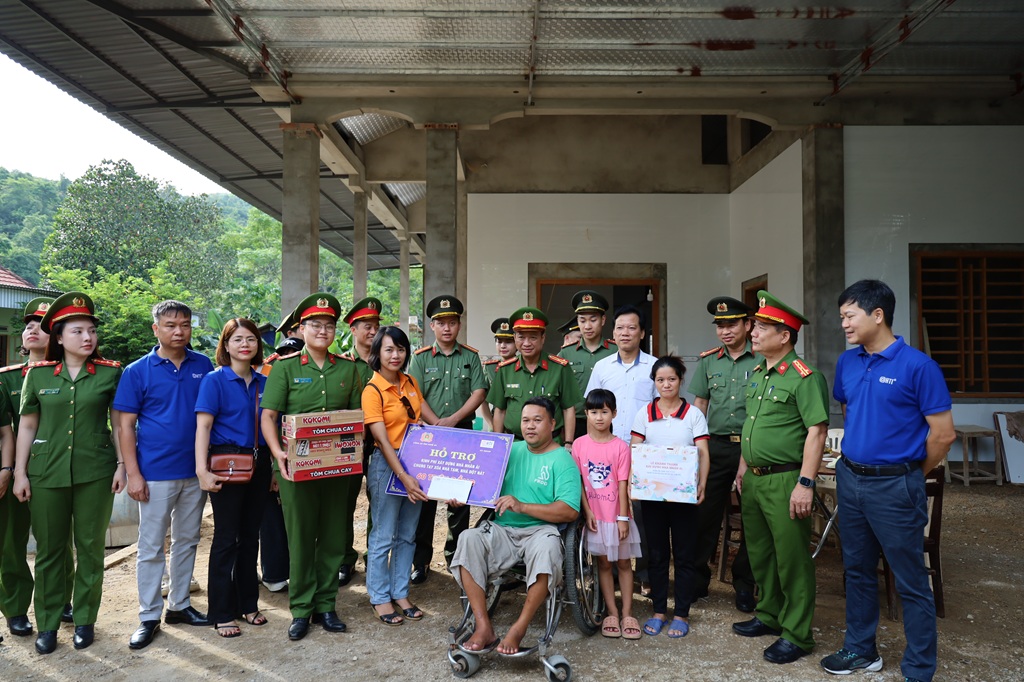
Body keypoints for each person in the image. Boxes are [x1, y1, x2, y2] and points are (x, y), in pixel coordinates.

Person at [820, 280, 955, 682]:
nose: (843, 323)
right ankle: (861, 650)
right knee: (857, 570)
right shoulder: (848, 363)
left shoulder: (918, 367)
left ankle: (918, 667)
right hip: (851, 477)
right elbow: (848, 406)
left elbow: (943, 434)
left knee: (910, 579)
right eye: (842, 316)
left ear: (877, 314)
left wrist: (911, 472)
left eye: (849, 315)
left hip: (895, 484)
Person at [12, 292, 124, 654]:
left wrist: (123, 466)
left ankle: (85, 619)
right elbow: (27, 425)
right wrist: (19, 473)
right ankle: (46, 625)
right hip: (46, 472)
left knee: (90, 549)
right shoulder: (39, 373)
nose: (87, 338)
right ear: (58, 337)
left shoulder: (110, 373)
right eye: (77, 331)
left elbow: (121, 425)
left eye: (91, 330)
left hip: (96, 471)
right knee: (49, 551)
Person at [731, 290, 829, 665]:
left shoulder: (805, 377)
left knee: (792, 559)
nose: (753, 333)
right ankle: (769, 614)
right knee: (760, 553)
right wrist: (742, 467)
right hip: (754, 480)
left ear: (784, 336)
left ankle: (798, 633)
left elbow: (816, 432)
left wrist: (805, 483)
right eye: (755, 326)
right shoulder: (759, 373)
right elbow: (751, 426)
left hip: (786, 480)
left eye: (761, 327)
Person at [259, 293, 364, 641]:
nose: (323, 330)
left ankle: (326, 605)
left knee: (334, 536)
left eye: (329, 325)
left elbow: (354, 421)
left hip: (337, 469)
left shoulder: (348, 369)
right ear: (301, 329)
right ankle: (301, 609)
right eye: (315, 324)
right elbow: (269, 417)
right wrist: (279, 455)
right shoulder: (285, 367)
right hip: (294, 470)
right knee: (301, 537)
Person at [115, 300, 215, 650]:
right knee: (151, 545)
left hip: (195, 471)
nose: (179, 331)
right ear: (156, 328)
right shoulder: (137, 371)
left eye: (185, 324)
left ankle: (180, 605)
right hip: (154, 473)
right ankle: (148, 615)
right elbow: (125, 426)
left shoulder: (204, 365)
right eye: (171, 324)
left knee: (188, 539)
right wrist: (133, 473)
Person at [451, 397, 582, 655]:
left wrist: (522, 506)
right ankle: (483, 626)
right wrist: (461, 495)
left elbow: (569, 510)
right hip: (503, 528)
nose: (530, 426)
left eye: (537, 420)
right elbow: (481, 483)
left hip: (541, 529)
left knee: (547, 549)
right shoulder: (508, 451)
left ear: (553, 423)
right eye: (525, 420)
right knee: (468, 538)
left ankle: (519, 628)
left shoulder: (562, 460)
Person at [0, 297, 74, 638]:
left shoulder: (72, 376)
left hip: (56, 471)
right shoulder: (7, 379)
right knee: (12, 545)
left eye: (40, 326)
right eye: (28, 325)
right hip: (14, 472)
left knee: (57, 541)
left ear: (57, 336)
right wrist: (11, 470)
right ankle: (15, 608)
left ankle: (61, 601)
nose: (31, 329)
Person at [194, 318, 273, 638]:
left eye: (251, 339)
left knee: (250, 536)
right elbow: (203, 427)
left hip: (260, 462)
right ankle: (222, 612)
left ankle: (247, 603)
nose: (245, 344)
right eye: (237, 339)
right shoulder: (214, 380)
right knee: (227, 538)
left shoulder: (264, 381)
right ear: (225, 345)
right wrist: (202, 470)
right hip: (226, 463)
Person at [408, 296, 488, 584]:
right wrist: (436, 423)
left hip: (462, 435)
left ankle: (456, 558)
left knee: (458, 501)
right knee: (425, 499)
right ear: (432, 326)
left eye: (452, 322)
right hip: (429, 437)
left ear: (459, 325)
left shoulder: (470, 356)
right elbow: (414, 394)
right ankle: (421, 561)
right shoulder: (420, 358)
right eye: (441, 323)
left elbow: (479, 392)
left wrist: (453, 420)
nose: (447, 328)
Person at [629, 356, 710, 638]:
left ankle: (682, 614)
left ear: (681, 380)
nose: (666, 384)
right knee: (658, 554)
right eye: (660, 380)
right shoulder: (644, 414)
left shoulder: (693, 414)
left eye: (672, 379)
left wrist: (701, 484)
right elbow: (636, 452)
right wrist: (635, 486)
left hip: (684, 497)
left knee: (685, 555)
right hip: (652, 497)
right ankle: (659, 611)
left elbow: (702, 453)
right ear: (654, 382)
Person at [688, 296, 759, 612]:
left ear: (747, 324)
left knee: (752, 518)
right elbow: (699, 407)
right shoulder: (708, 361)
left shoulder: (761, 359)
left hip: (751, 446)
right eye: (720, 325)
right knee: (703, 515)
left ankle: (744, 584)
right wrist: (692, 449)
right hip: (713, 446)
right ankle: (697, 581)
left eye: (731, 324)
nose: (725, 331)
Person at [585, 304, 658, 592]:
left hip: (642, 452)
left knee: (643, 514)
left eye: (631, 327)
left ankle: (646, 576)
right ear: (612, 333)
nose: (625, 332)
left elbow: (660, 410)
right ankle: (608, 573)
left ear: (641, 333)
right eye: (620, 328)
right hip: (607, 451)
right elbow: (592, 409)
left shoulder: (654, 367)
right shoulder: (602, 367)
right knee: (607, 509)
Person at [362, 326, 427, 626]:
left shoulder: (411, 382)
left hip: (415, 463)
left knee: (407, 533)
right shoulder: (372, 390)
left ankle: (401, 593)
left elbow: (424, 420)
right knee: (384, 533)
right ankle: (380, 597)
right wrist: (403, 476)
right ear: (378, 352)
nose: (395, 355)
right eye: (389, 349)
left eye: (400, 349)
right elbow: (383, 441)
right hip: (388, 466)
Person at [570, 389, 642, 640]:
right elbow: (579, 482)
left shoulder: (621, 447)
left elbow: (623, 484)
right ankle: (611, 611)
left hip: (617, 516)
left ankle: (628, 612)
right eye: (593, 412)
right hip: (595, 517)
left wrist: (623, 517)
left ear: (614, 414)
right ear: (586, 414)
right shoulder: (579, 445)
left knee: (623, 563)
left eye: (604, 412)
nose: (599, 417)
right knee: (603, 563)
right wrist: (587, 512)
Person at [487, 307, 581, 442]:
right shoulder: (504, 370)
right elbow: (500, 410)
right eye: (521, 337)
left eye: (533, 337)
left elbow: (568, 409)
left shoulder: (560, 368)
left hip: (550, 444)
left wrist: (568, 442)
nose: (526, 343)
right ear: (514, 338)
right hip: (515, 444)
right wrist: (497, 442)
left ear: (543, 338)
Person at [340, 296, 383, 587]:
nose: (372, 332)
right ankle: (344, 559)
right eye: (366, 326)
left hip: (380, 444)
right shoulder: (343, 365)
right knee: (344, 503)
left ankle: (374, 557)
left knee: (379, 502)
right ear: (353, 330)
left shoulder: (390, 361)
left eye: (376, 326)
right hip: (349, 443)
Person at [256, 312, 298, 594]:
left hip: (303, 452)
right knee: (271, 517)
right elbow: (268, 418)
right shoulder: (271, 370)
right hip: (274, 452)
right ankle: (274, 572)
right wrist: (274, 464)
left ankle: (296, 569)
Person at [559, 291, 616, 445]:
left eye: (593, 320)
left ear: (603, 320)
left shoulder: (616, 351)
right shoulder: (566, 352)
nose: (587, 326)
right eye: (582, 320)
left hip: (607, 420)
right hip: (575, 423)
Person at [479, 317, 516, 430]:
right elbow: (482, 400)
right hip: (498, 424)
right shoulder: (490, 367)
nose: (503, 346)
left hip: (519, 424)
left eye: (508, 342)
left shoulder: (524, 367)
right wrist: (491, 424)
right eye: (499, 342)